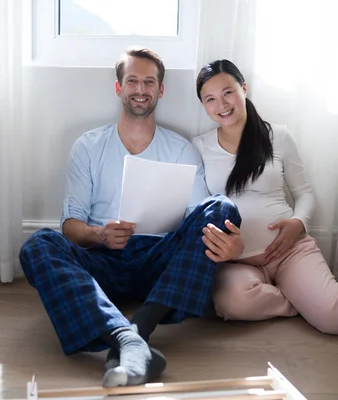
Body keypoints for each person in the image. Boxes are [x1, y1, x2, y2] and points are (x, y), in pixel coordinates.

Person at [19, 48, 242, 388]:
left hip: (160, 261)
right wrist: (99, 235)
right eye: (132, 81)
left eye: (149, 82)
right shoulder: (88, 146)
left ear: (160, 90)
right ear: (118, 88)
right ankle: (126, 338)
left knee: (221, 206)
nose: (141, 89)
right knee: (38, 245)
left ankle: (141, 326)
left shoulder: (181, 149)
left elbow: (202, 216)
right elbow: (70, 225)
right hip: (102, 261)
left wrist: (228, 240)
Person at [194, 59, 338, 335]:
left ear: (243, 88)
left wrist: (298, 223)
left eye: (228, 92)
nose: (222, 104)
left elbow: (304, 194)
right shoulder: (200, 147)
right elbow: (200, 210)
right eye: (210, 99)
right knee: (232, 304)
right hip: (237, 261)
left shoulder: (278, 136)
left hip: (290, 251)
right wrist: (229, 248)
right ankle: (307, 302)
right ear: (204, 106)